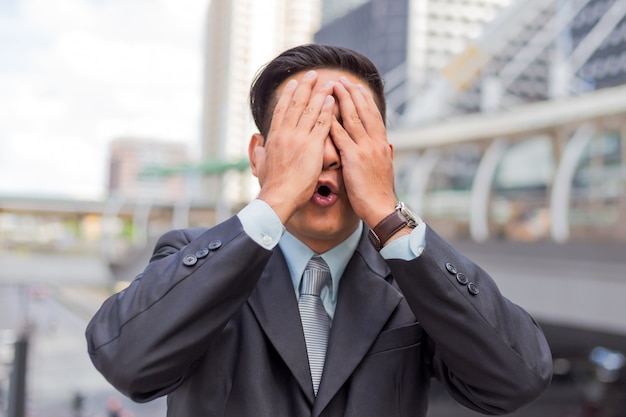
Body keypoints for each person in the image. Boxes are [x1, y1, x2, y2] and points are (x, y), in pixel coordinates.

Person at [86, 44, 552, 416]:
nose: (326, 156)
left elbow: (516, 380)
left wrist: (391, 218)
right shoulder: (192, 254)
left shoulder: (414, 281)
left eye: (347, 133)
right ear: (258, 154)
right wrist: (276, 196)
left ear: (383, 157)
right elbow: (127, 362)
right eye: (304, 132)